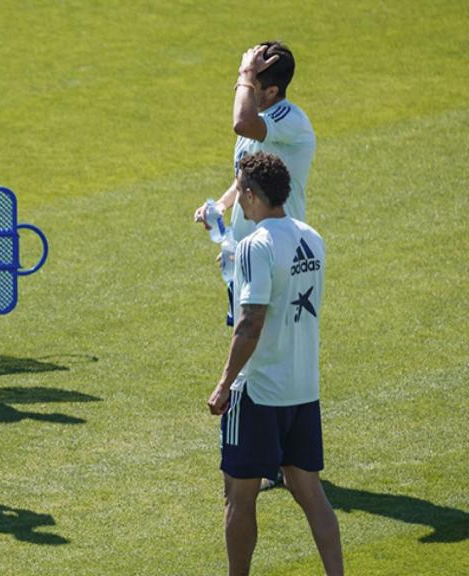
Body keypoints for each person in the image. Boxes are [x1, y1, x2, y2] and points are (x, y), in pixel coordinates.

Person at [206, 152, 342, 576]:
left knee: (238, 496)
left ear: (249, 193)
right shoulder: (312, 237)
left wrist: (225, 383)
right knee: (310, 492)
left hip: (260, 390)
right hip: (303, 387)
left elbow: (250, 322)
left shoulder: (255, 244)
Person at [195, 41, 316, 490]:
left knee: (258, 345)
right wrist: (222, 206)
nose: (243, 88)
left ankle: (267, 460)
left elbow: (239, 122)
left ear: (270, 91)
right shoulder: (266, 124)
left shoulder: (287, 121)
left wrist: (244, 73)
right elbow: (247, 169)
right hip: (249, 248)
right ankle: (280, 460)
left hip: (279, 249)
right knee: (253, 341)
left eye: (251, 84)